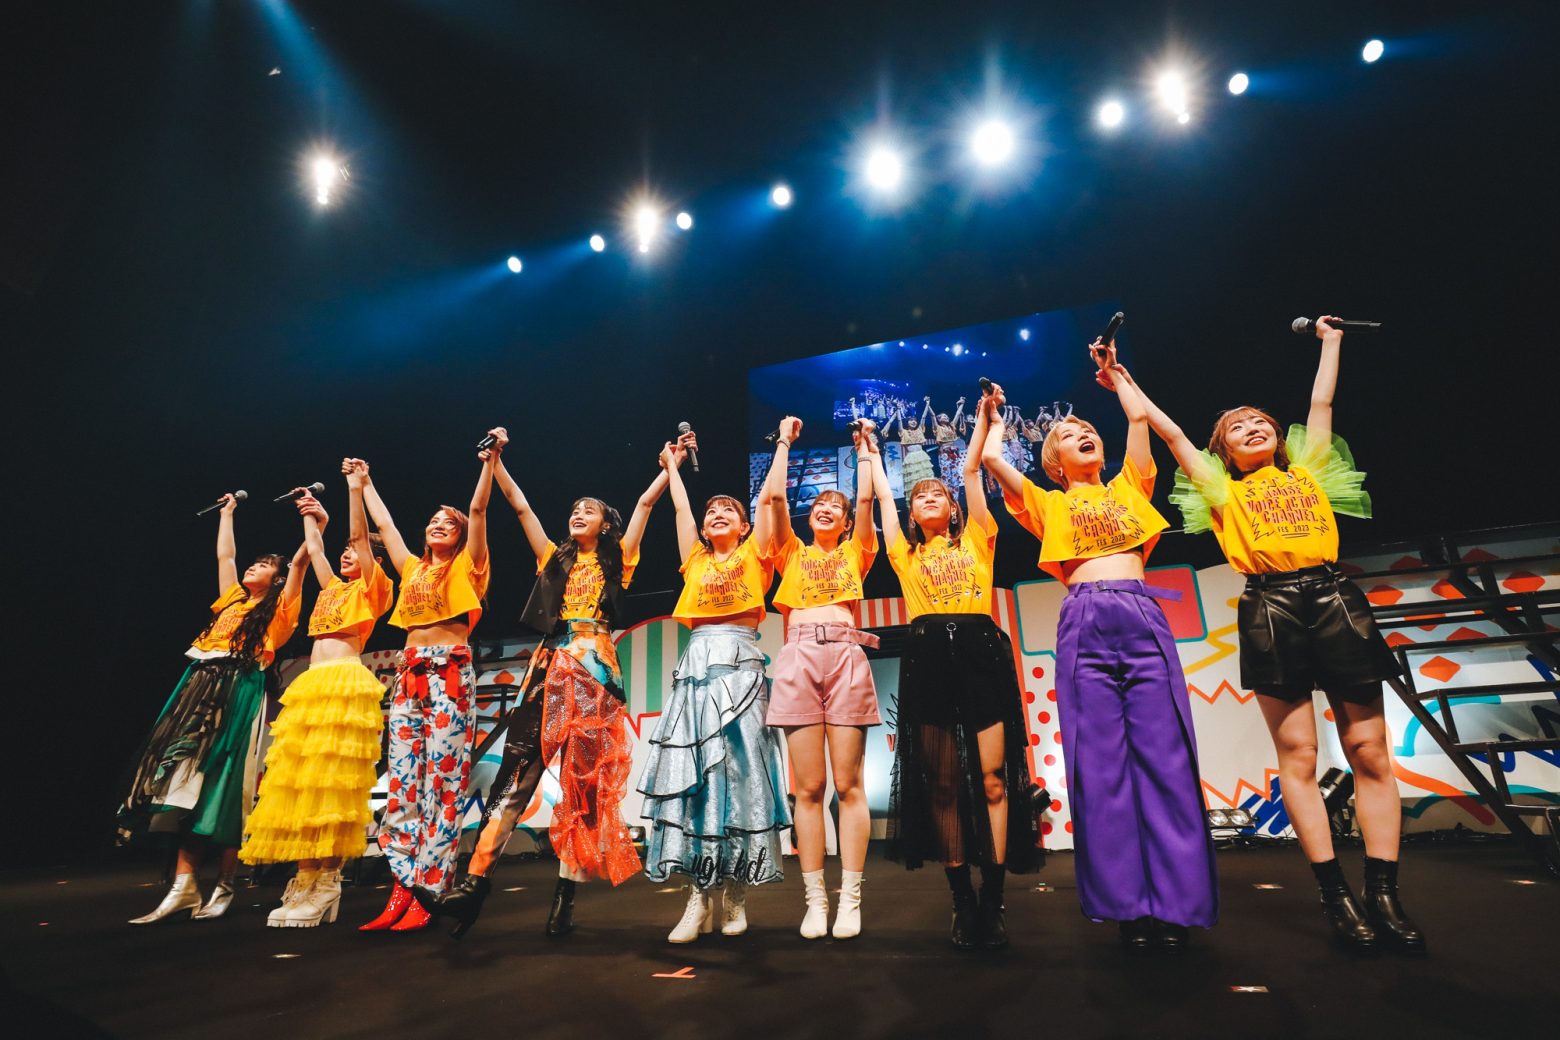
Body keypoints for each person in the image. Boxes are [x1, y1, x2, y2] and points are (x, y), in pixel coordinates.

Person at [1125, 317, 1421, 953]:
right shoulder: (1219, 490)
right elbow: (1171, 433)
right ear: (1224, 452)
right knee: (1300, 756)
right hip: (1271, 606)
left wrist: (1331, 342)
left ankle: (1384, 892)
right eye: (1237, 427)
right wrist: (1123, 380)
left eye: (1260, 420)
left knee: (1370, 751)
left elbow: (1321, 404)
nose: (1252, 427)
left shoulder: (1308, 470)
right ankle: (1335, 895)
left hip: (1335, 597)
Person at [979, 353, 1219, 953]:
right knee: (1100, 765)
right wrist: (994, 420)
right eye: (1067, 435)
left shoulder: (1129, 487)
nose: (1082, 433)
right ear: (1053, 463)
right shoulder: (1047, 503)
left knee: (1165, 760)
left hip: (1141, 614)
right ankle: (1128, 907)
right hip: (1084, 620)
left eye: (1087, 429)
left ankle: (1177, 903)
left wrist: (1121, 379)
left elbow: (1138, 422)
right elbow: (991, 461)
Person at [416, 436, 686, 939]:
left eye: (589, 510)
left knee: (582, 790)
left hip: (593, 676)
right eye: (574, 509)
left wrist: (671, 465)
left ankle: (565, 897)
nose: (578, 514)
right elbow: (520, 508)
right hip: (545, 670)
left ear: (606, 524)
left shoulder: (619, 559)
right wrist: (496, 463)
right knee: (515, 777)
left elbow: (646, 504)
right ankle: (472, 887)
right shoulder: (552, 558)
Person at [872, 391, 1041, 949]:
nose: (928, 497)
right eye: (919, 495)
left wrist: (986, 421)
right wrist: (870, 454)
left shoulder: (978, 539)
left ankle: (993, 898)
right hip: (928, 658)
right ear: (911, 513)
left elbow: (969, 472)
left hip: (978, 652)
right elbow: (883, 496)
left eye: (937, 494)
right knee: (942, 784)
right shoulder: (904, 555)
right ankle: (961, 899)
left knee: (993, 779)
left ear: (952, 508)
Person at [119, 494, 305, 924]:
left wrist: (313, 522)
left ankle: (225, 882)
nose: (253, 568)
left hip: (238, 689)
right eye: (254, 563)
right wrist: (227, 514)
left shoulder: (280, 611)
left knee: (225, 783)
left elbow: (300, 564)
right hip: (200, 686)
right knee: (185, 780)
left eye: (264, 565)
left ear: (278, 579)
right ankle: (183, 886)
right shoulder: (233, 600)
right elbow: (226, 556)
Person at [638, 434, 791, 944]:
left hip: (742, 666)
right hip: (697, 668)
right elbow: (680, 508)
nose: (717, 514)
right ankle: (697, 896)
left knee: (741, 775)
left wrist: (782, 444)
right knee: (697, 779)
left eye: (729, 510)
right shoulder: (696, 560)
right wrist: (673, 465)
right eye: (712, 512)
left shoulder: (756, 554)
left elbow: (769, 499)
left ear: (745, 527)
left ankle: (736, 893)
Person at [239, 468, 393, 927]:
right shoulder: (333, 590)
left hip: (344, 681)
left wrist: (353, 490)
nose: (347, 554)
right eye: (344, 552)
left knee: (334, 786)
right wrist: (311, 514)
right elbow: (317, 549)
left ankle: (328, 880)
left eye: (355, 552)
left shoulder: (373, 589)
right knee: (306, 785)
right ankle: (304, 878)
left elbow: (360, 536)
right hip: (312, 684)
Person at [354, 435, 497, 931]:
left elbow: (478, 510)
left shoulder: (469, 566)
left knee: (443, 783)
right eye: (434, 521)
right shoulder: (411, 567)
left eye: (448, 524)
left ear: (460, 536)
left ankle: (430, 889)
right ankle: (401, 884)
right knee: (403, 783)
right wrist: (364, 484)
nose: (439, 525)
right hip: (409, 672)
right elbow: (385, 527)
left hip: (449, 673)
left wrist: (490, 463)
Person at [755, 416, 882, 940]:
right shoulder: (792, 553)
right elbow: (774, 500)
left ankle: (850, 898)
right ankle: (815, 900)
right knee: (807, 788)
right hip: (799, 657)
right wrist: (784, 442)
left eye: (836, 507)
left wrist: (865, 450)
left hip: (846, 657)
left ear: (847, 523)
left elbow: (867, 500)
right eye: (819, 505)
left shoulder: (857, 551)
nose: (825, 509)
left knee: (848, 785)